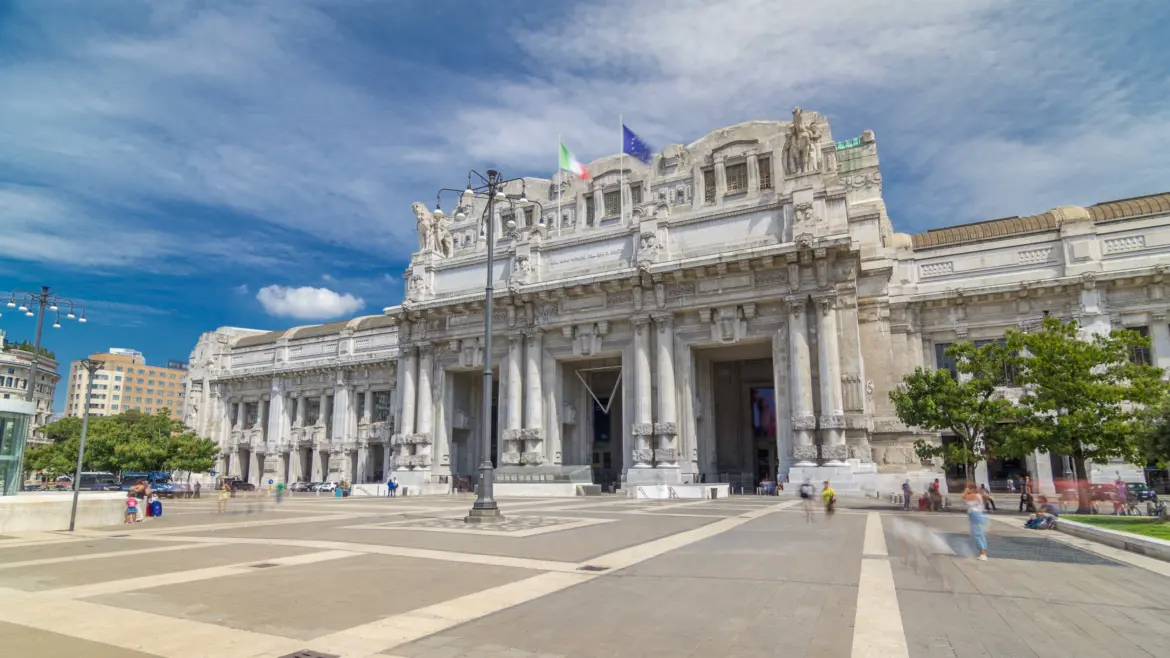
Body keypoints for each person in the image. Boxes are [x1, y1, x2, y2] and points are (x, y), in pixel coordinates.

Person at [962, 484, 989, 561]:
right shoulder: (978, 496)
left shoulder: (975, 495)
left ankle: (983, 553)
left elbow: (964, 497)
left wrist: (965, 491)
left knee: (977, 534)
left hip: (975, 516)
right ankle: (983, 552)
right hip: (978, 516)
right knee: (980, 534)